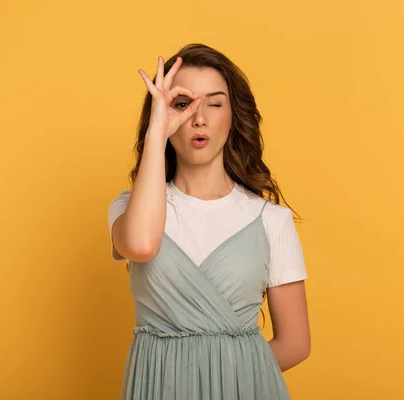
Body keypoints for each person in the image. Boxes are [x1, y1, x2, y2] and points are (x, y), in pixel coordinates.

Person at [107, 43, 310, 400]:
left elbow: (295, 343)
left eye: (214, 104)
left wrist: (224, 380)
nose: (199, 119)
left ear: (234, 116)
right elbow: (140, 245)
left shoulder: (270, 221)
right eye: (183, 105)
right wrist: (158, 131)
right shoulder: (128, 208)